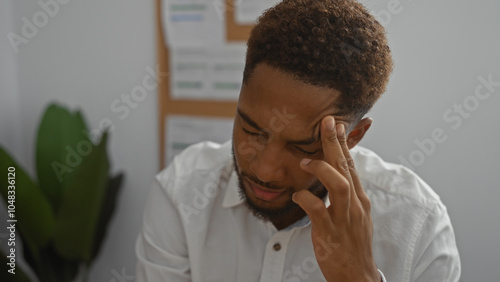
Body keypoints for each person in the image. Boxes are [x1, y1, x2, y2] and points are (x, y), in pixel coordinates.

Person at [135, 0, 461, 281]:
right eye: (251, 130)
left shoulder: (419, 227)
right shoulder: (182, 195)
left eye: (303, 147)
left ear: (352, 138)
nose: (265, 169)